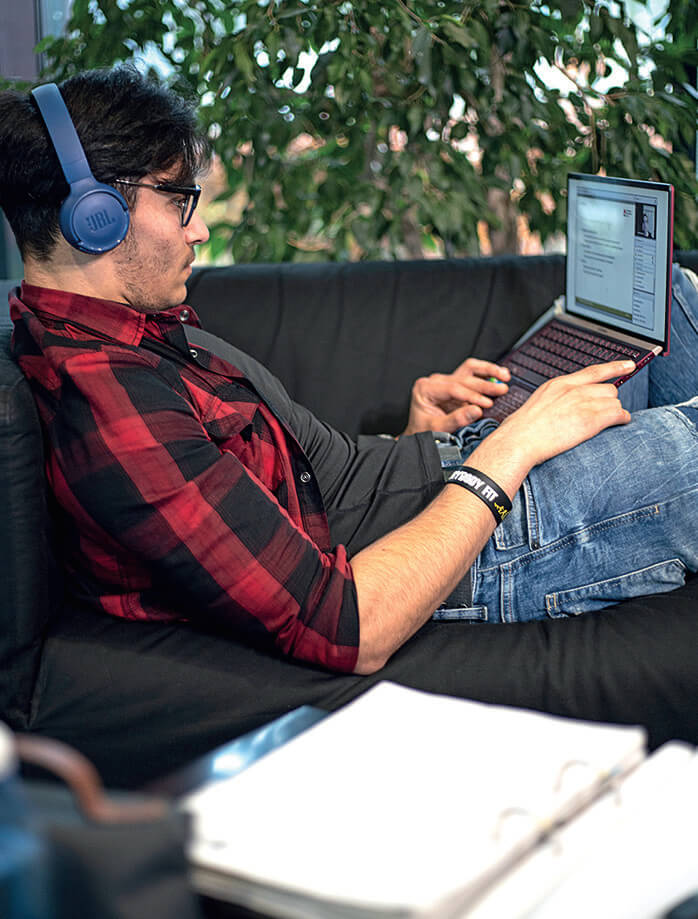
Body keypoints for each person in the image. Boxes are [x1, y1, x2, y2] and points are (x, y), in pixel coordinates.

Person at [0, 67, 696, 679]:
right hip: (484, 545)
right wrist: (510, 448)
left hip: (452, 485)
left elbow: (291, 492)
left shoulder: (127, 334)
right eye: (179, 200)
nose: (199, 229)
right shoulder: (112, 409)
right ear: (95, 217)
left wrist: (416, 435)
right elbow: (345, 626)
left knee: (665, 292)